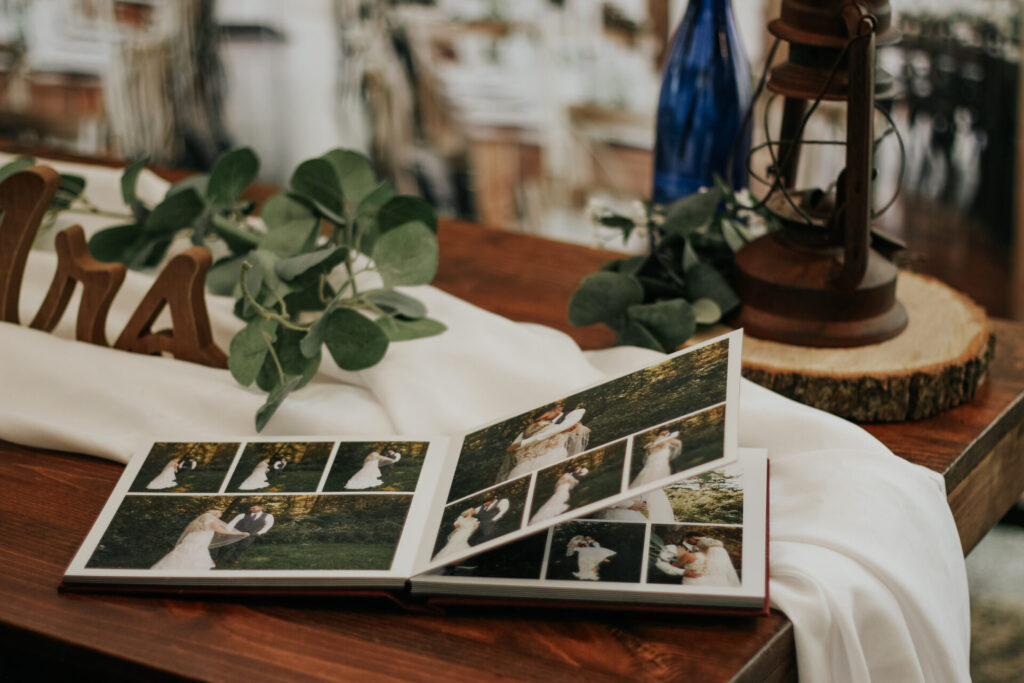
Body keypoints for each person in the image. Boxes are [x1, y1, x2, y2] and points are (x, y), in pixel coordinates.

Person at [495, 405, 590, 484]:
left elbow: (560, 429)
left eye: (546, 417)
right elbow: (512, 447)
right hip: (528, 463)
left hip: (553, 456)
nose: (542, 421)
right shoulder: (529, 430)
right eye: (538, 420)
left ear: (559, 408)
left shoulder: (572, 417)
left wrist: (524, 443)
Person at [150, 510, 248, 571]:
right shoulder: (212, 522)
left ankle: (172, 566)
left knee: (184, 550)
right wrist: (240, 533)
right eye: (219, 513)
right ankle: (193, 568)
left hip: (191, 537)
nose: (220, 515)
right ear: (215, 514)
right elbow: (222, 532)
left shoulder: (198, 521)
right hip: (202, 539)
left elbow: (187, 530)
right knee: (198, 551)